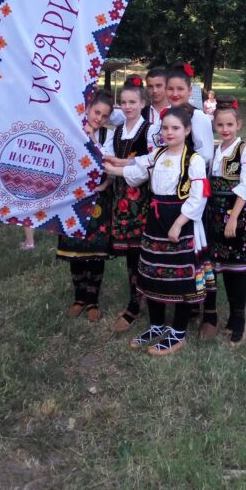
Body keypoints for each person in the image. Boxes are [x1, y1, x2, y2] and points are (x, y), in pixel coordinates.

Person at [104, 105, 213, 355]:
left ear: (187, 130)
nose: (169, 132)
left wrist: (179, 223)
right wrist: (112, 169)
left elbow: (198, 196)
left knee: (181, 277)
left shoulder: (193, 160)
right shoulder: (158, 154)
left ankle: (178, 332)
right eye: (165, 128)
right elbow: (136, 171)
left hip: (180, 223)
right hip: (155, 221)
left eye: (175, 128)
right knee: (152, 272)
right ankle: (156, 325)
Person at [200, 101, 246, 346]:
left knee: (236, 270)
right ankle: (226, 317)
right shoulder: (216, 150)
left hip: (234, 214)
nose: (225, 129)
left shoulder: (244, 149)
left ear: (239, 124)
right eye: (220, 125)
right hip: (214, 215)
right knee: (221, 267)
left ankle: (239, 319)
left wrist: (234, 217)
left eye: (229, 124)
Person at [56, 91, 115, 322]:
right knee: (76, 249)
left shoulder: (108, 135)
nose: (99, 118)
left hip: (99, 197)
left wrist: (93, 140)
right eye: (96, 112)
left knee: (96, 250)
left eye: (104, 115)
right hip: (74, 198)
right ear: (88, 110)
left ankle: (93, 300)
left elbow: (107, 162)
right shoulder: (71, 130)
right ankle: (79, 298)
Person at [106, 78, 158, 333]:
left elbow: (153, 160)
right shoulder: (116, 131)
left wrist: (121, 165)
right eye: (124, 102)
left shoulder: (151, 129)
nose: (127, 106)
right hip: (121, 198)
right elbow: (105, 157)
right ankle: (137, 298)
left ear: (143, 103)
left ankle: (139, 303)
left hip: (143, 199)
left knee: (143, 250)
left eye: (132, 102)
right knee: (131, 253)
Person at [165, 65, 214, 168]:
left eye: (180, 89)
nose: (175, 94)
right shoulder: (165, 114)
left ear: (190, 90)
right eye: (170, 89)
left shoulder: (197, 117)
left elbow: (206, 155)